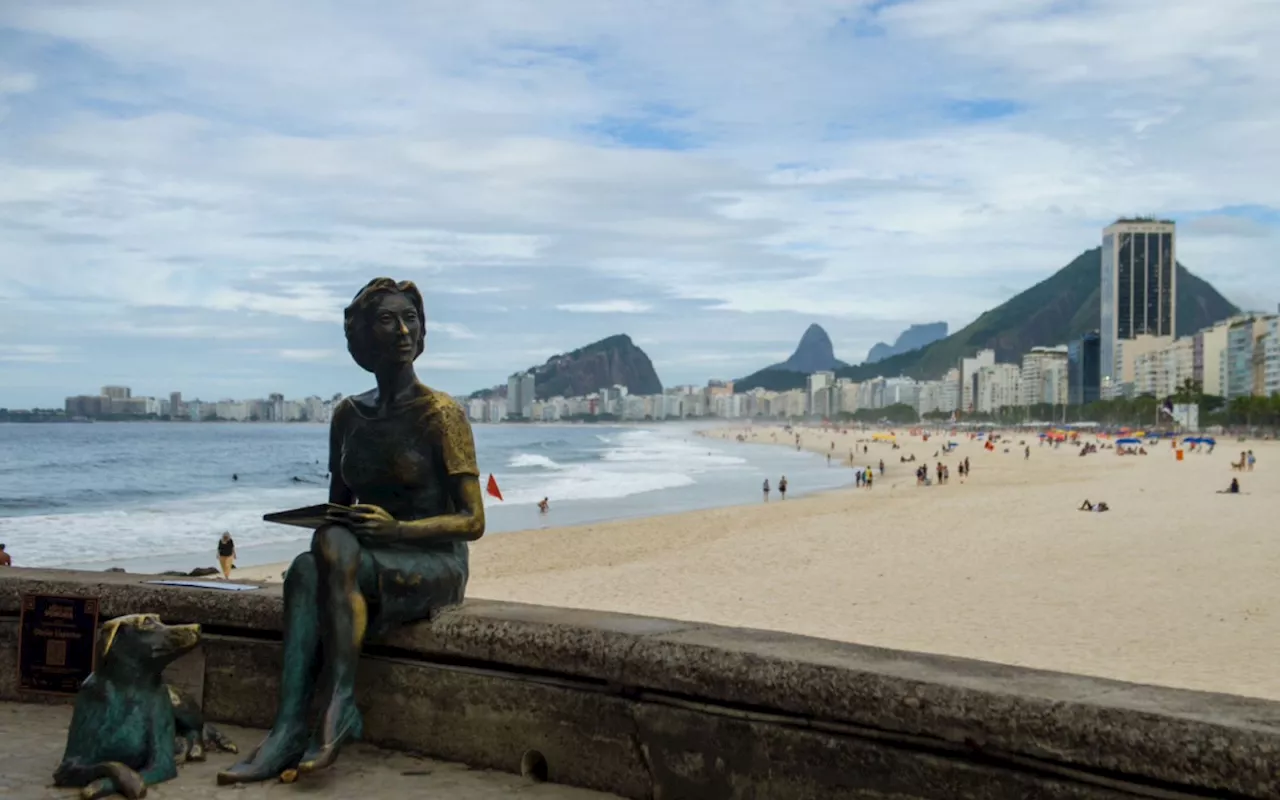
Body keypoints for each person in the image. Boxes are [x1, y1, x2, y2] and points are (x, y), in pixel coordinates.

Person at [218, 278, 485, 785]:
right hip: (358, 562)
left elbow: (473, 522)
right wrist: (322, 522)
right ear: (363, 336)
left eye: (411, 319)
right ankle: (291, 725)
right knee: (303, 569)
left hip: (431, 559)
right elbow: (337, 510)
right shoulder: (347, 415)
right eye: (388, 320)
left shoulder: (442, 414)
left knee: (323, 556)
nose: (404, 330)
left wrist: (397, 530)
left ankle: (337, 705)